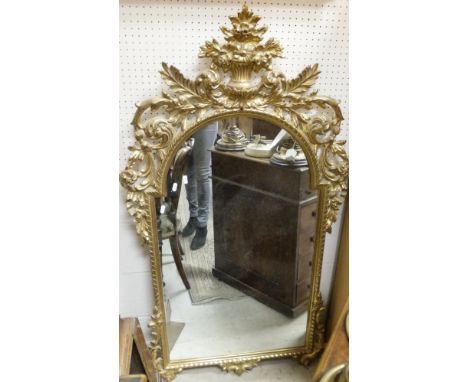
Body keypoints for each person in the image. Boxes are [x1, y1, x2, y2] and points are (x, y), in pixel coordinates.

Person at [181, 122, 218, 250]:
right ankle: (193, 216)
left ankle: (202, 226)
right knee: (186, 171)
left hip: (206, 119)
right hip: (183, 119)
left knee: (202, 173)